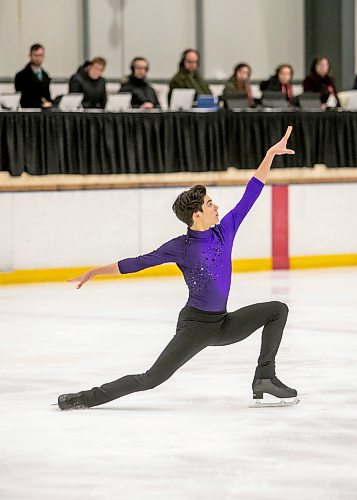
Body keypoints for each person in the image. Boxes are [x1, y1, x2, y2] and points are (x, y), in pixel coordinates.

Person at [57, 127, 299, 411]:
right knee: (151, 379)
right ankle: (84, 398)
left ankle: (264, 377)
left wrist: (270, 154)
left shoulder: (225, 232)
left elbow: (252, 192)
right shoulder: (180, 247)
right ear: (197, 215)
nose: (216, 206)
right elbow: (137, 263)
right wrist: (95, 271)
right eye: (210, 203)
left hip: (222, 324)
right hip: (195, 327)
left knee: (277, 310)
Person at [14, 43, 52, 108]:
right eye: (35, 55)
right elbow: (22, 98)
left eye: (40, 55)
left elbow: (47, 96)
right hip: (28, 112)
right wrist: (40, 105)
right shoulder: (21, 76)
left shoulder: (45, 75)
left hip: (44, 112)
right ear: (30, 55)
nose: (38, 58)